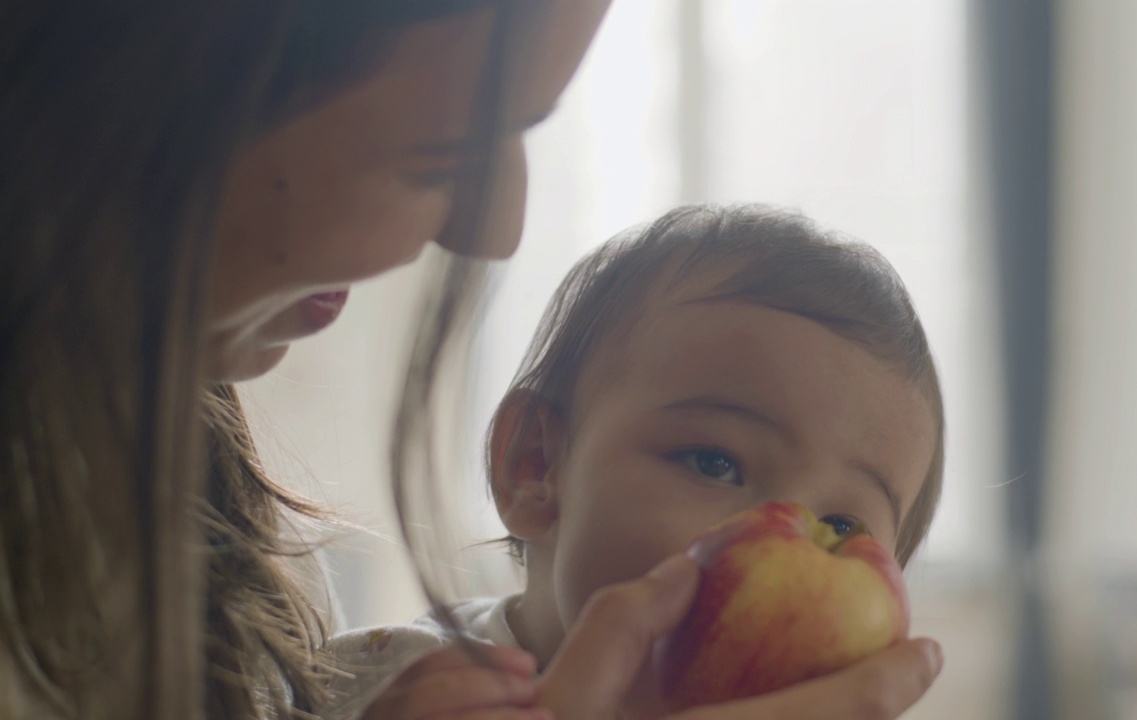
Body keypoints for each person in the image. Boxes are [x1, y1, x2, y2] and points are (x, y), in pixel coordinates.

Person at [1, 1, 942, 717]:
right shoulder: (406, 680)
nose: (498, 228)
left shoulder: (186, 527)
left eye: (846, 524)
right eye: (438, 156)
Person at [324, 204, 947, 720]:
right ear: (536, 467)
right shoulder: (406, 686)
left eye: (841, 527)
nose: (782, 536)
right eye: (715, 462)